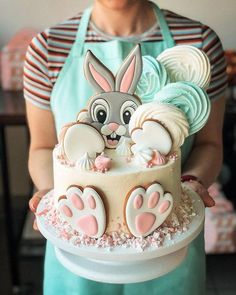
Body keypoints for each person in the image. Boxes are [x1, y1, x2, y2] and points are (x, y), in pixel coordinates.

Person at [24, 1, 227, 294]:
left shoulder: (198, 45)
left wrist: (190, 183)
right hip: (78, 246)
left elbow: (209, 144)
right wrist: (52, 192)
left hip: (168, 242)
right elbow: (43, 146)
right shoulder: (47, 48)